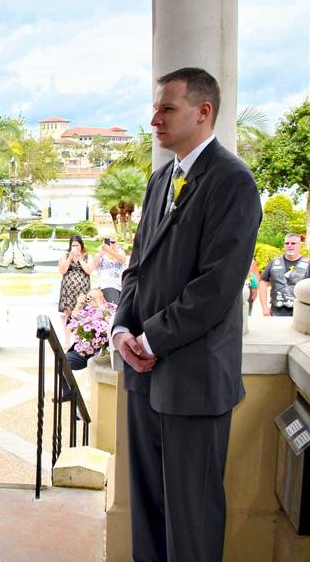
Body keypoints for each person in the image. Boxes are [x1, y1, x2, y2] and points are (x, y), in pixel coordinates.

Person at [112, 67, 261, 561]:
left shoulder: (233, 182)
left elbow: (215, 289)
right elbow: (136, 269)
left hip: (194, 383)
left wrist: (149, 341)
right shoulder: (160, 180)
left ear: (203, 112)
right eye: (155, 108)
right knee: (148, 513)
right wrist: (120, 332)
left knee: (191, 522)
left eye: (167, 108)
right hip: (142, 380)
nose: (154, 119)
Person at [259, 233, 309, 317]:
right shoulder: (274, 262)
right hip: (275, 312)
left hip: (300, 313)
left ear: (300, 245)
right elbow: (263, 282)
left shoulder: (308, 263)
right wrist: (264, 307)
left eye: (293, 243)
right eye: (287, 243)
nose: (289, 246)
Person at [58, 235, 92, 333]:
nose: (75, 248)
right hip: (68, 289)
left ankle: (80, 339)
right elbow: (62, 271)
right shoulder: (65, 256)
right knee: (68, 314)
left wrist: (80, 259)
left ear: (81, 245)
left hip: (82, 289)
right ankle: (67, 340)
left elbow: (89, 271)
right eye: (73, 245)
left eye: (77, 245)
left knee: (82, 313)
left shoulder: (87, 256)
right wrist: (70, 258)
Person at [90, 236, 127, 303]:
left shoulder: (121, 252)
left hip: (121, 286)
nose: (110, 244)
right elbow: (93, 266)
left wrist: (109, 250)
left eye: (113, 242)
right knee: (114, 305)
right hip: (107, 285)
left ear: (116, 243)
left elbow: (122, 260)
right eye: (108, 242)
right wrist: (100, 253)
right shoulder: (100, 254)